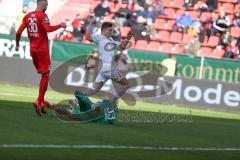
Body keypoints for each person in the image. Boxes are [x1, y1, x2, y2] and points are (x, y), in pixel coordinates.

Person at [15, 0, 66, 116]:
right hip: (42, 50)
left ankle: (42, 102)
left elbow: (18, 32)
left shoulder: (27, 16)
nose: (47, 8)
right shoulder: (43, 15)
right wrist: (60, 25)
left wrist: (17, 45)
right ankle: (39, 101)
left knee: (43, 74)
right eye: (46, 6)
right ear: (43, 5)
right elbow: (48, 29)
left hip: (32, 50)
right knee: (46, 74)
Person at [76, 17, 131, 113]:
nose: (112, 32)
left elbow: (121, 48)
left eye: (113, 30)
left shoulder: (111, 40)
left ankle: (75, 101)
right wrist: (90, 23)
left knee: (95, 89)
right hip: (108, 67)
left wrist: (126, 41)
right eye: (110, 30)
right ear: (104, 30)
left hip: (103, 69)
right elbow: (88, 37)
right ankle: (111, 102)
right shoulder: (99, 37)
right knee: (126, 84)